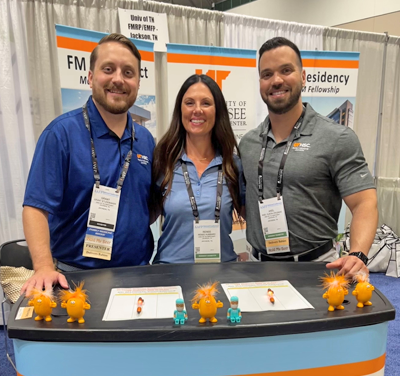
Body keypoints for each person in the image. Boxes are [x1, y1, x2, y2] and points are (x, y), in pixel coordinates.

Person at [22, 33, 155, 296]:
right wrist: (43, 266)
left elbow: (147, 205)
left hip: (138, 274)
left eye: (128, 72)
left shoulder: (146, 140)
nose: (118, 79)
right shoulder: (61, 134)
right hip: (75, 278)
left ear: (138, 83)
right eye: (108, 69)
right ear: (91, 77)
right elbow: (35, 207)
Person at [239, 37, 378, 276]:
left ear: (303, 77)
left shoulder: (337, 138)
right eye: (267, 74)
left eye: (286, 70)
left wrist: (357, 254)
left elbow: (364, 202)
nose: (277, 80)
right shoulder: (249, 143)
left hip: (316, 268)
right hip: (257, 267)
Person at [152, 74, 245, 264]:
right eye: (189, 103)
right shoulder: (163, 162)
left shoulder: (232, 165)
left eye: (206, 103)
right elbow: (141, 217)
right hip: (169, 275)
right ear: (180, 109)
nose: (197, 110)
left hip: (222, 274)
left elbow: (252, 218)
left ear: (217, 110)